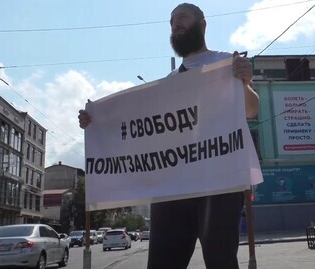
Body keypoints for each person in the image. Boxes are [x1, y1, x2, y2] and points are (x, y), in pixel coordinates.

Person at [78, 3, 259, 269]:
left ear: (202, 24)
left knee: (221, 262)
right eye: (171, 22)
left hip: (218, 185)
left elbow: (251, 110)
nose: (175, 25)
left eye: (182, 18)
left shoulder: (226, 63)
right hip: (173, 189)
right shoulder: (170, 81)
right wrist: (98, 123)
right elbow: (144, 129)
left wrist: (243, 83)